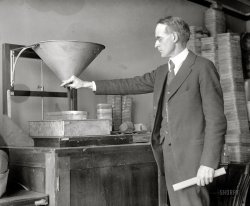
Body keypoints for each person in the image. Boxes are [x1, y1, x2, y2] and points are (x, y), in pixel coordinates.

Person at [61, 16, 227, 206]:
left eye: (159, 38)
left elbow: (216, 121)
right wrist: (87, 84)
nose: (156, 44)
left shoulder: (203, 67)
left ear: (173, 37)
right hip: (166, 156)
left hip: (192, 159)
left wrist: (207, 163)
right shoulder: (163, 71)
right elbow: (131, 83)